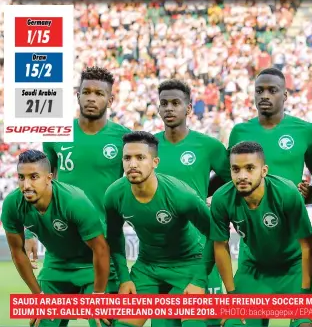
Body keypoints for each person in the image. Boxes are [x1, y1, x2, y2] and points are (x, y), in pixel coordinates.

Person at [227, 67, 312, 292]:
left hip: (295, 237)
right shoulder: (239, 131)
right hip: (253, 239)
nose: (265, 96)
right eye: (259, 90)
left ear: (285, 95)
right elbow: (229, 178)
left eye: (272, 90)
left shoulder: (306, 131)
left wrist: (311, 193)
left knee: (305, 318)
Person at [104, 131, 212, 327]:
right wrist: (124, 277)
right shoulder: (114, 194)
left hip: (187, 264)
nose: (133, 164)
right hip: (147, 267)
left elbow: (216, 234)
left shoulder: (181, 195)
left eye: (140, 157)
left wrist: (199, 279)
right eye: (127, 158)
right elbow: (113, 237)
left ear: (155, 162)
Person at [42, 66, 130, 294]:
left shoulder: (124, 139)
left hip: (101, 247)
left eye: (99, 94)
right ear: (77, 95)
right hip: (60, 249)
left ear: (110, 100)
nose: (92, 98)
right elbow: (40, 184)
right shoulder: (55, 134)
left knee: (103, 320)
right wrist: (32, 232)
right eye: (87, 92)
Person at [210, 141, 312, 327]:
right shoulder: (221, 198)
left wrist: (306, 292)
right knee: (233, 324)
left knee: (305, 324)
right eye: (236, 169)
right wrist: (231, 295)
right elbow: (220, 246)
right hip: (254, 270)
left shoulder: (286, 192)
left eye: (250, 168)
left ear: (264, 171)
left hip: (294, 267)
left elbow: (307, 245)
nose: (242, 176)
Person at [0, 150, 110, 327]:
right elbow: (17, 252)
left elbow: (101, 249)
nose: (26, 184)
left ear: (49, 177)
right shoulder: (12, 204)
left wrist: (98, 295)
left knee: (103, 322)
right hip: (56, 265)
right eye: (21, 177)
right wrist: (38, 297)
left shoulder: (74, 200)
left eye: (34, 177)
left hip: (91, 266)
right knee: (41, 323)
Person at [155, 79, 231, 327]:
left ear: (188, 109)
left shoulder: (209, 146)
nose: (169, 108)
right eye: (164, 103)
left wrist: (211, 198)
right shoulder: (148, 148)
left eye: (176, 103)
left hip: (201, 251)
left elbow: (233, 179)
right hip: (161, 255)